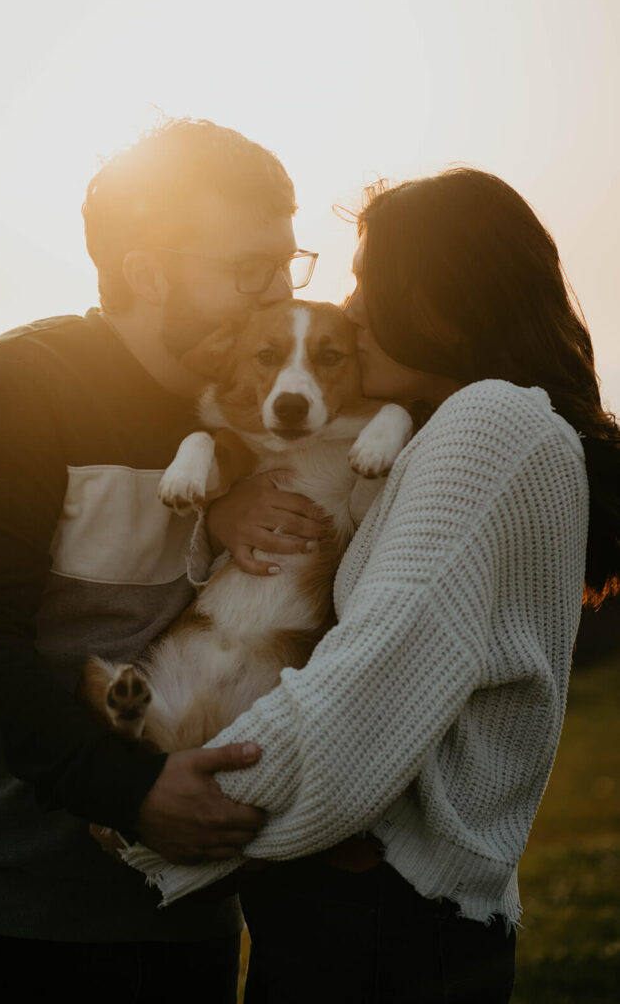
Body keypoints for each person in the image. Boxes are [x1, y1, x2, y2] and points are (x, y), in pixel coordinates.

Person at [139, 167, 620, 1002]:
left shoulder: (488, 423)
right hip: (397, 904)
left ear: (441, 298)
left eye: (368, 281)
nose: (351, 310)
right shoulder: (469, 427)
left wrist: (164, 813)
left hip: (380, 908)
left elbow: (373, 677)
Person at [0, 117, 324, 1001]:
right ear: (148, 271)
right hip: (4, 925)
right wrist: (130, 792)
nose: (278, 293)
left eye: (289, 263)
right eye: (246, 270)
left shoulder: (266, 408)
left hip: (189, 912)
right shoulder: (16, 389)